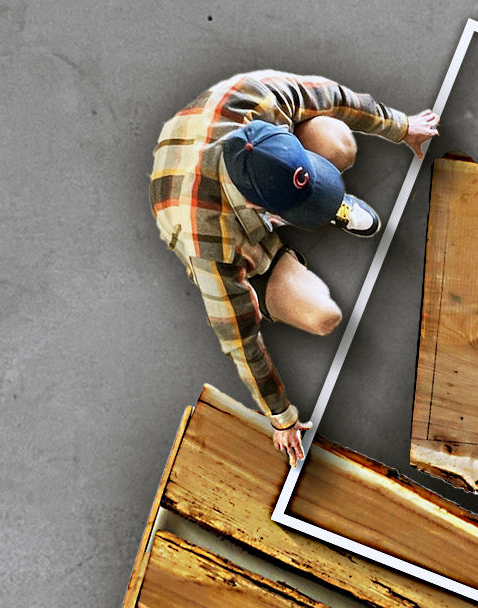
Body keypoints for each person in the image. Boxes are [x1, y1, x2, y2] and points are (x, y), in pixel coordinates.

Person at [151, 71, 440, 465]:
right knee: (321, 315)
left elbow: (335, 97)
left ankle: (321, 203)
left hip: (218, 145)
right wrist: (282, 418)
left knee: (337, 140)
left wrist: (401, 127)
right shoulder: (209, 242)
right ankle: (272, 257)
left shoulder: (254, 98)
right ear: (258, 208)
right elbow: (240, 340)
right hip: (217, 219)